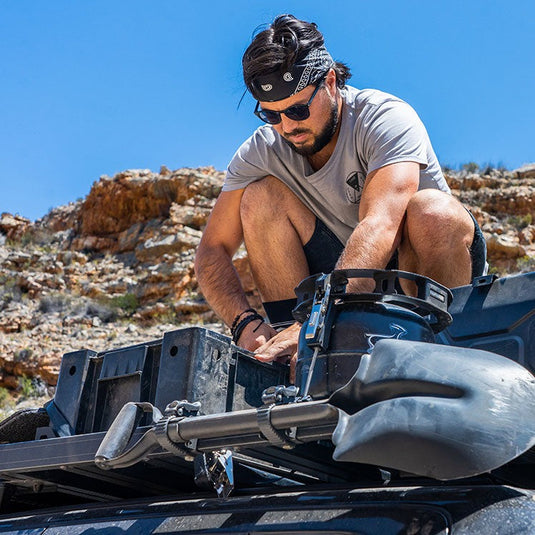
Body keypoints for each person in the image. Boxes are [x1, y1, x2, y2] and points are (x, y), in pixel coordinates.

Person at [194, 14, 487, 378]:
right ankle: (298, 365)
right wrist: (244, 323)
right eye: (270, 115)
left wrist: (321, 320)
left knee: (433, 211)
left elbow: (380, 222)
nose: (287, 127)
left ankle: (442, 354)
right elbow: (212, 249)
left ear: (330, 80)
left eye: (298, 110)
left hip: (414, 270)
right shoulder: (260, 152)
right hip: (339, 288)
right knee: (258, 199)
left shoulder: (384, 117)